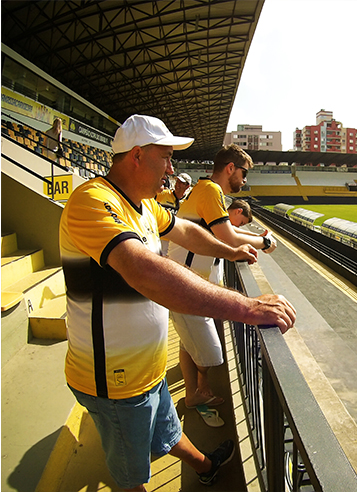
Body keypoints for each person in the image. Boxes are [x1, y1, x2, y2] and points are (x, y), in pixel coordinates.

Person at [59, 115, 296, 491]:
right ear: (138, 155)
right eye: (166, 157)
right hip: (115, 384)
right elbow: (144, 271)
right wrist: (246, 307)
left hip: (146, 370)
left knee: (167, 430)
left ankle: (205, 465)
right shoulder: (92, 200)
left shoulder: (142, 206)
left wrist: (231, 251)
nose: (171, 169)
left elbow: (186, 231)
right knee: (131, 477)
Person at [167, 145, 277, 417]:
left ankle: (194, 393)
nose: (244, 179)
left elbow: (225, 233)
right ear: (230, 168)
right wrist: (264, 243)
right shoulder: (210, 190)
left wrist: (253, 240)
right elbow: (228, 237)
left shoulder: (205, 190)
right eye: (243, 173)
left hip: (188, 282)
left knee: (188, 344)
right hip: (187, 284)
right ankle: (199, 388)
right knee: (211, 354)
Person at [156, 173, 192, 254]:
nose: (177, 185)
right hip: (160, 236)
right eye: (177, 181)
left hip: (175, 241)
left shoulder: (188, 202)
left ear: (187, 186)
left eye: (181, 183)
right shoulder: (163, 194)